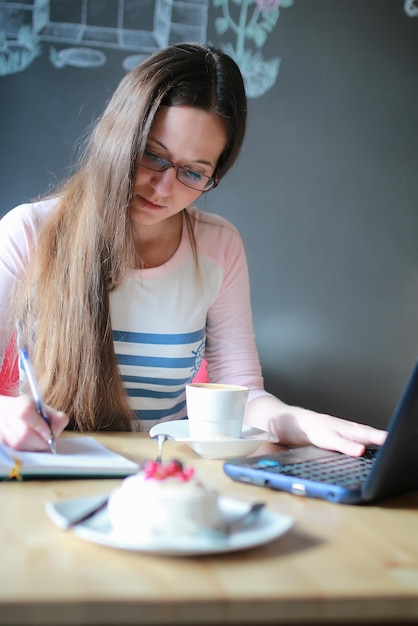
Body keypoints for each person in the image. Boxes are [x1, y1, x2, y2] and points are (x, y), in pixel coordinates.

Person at [0, 42, 386, 455]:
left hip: (163, 480)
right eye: (152, 155)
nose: (164, 188)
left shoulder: (218, 246)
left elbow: (243, 395)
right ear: (119, 135)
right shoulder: (30, 231)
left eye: (194, 172)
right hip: (54, 470)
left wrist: (303, 422)